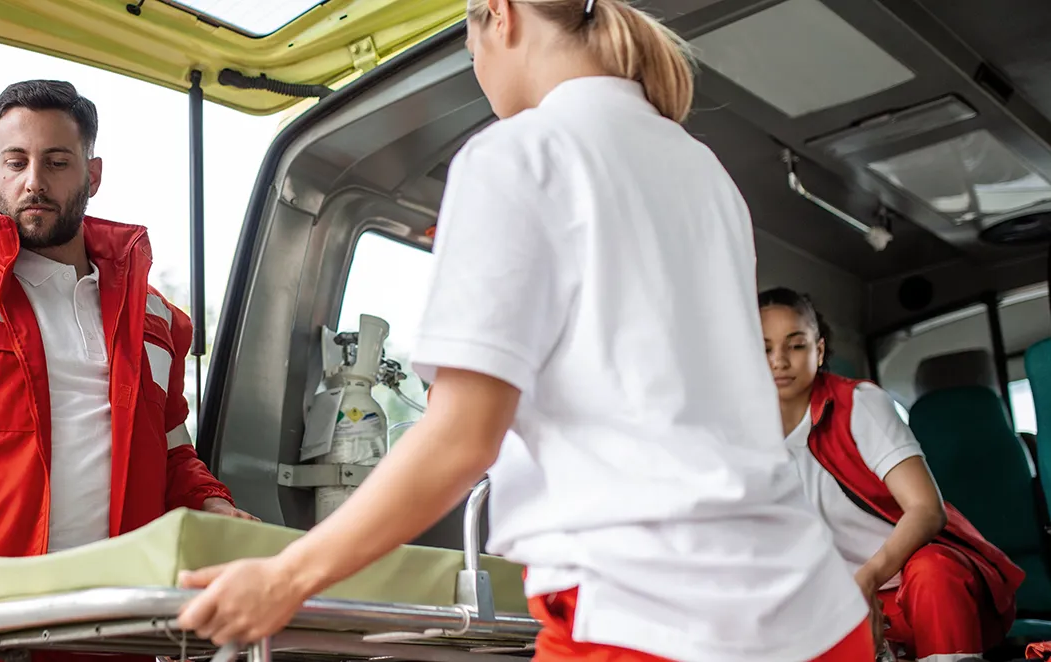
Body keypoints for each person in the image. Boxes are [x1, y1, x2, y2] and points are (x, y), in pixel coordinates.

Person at [174, 1, 874, 660]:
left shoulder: (518, 153)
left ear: (500, 15)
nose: (476, 62)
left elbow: (462, 437)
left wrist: (286, 576)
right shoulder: (702, 168)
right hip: (816, 615)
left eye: (469, 37)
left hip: (651, 616)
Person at [0, 79, 255, 662]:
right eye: (17, 161)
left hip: (120, 635)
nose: (35, 180)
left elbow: (172, 453)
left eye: (57, 161)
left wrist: (211, 502)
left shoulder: (157, 321)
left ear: (93, 173)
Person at [758, 287, 1023, 662]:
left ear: (818, 351)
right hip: (835, 601)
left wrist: (867, 579)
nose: (779, 361)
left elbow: (927, 510)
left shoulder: (859, 405)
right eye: (765, 348)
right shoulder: (746, 438)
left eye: (795, 345)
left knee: (933, 571)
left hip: (912, 588)